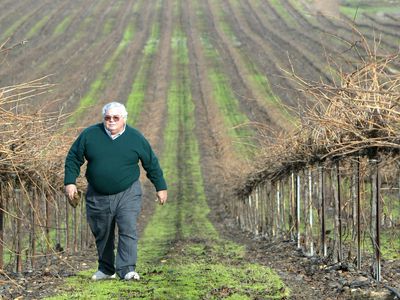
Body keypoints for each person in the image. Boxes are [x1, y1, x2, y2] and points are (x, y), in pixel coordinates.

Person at [64, 101, 167, 281]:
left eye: (115, 118)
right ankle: (106, 269)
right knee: (102, 231)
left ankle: (127, 269)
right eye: (107, 118)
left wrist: (160, 186)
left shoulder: (135, 138)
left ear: (124, 119)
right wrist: (70, 182)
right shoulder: (90, 135)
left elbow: (151, 163)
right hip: (97, 193)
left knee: (127, 227)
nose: (111, 121)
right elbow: (73, 158)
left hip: (128, 191)